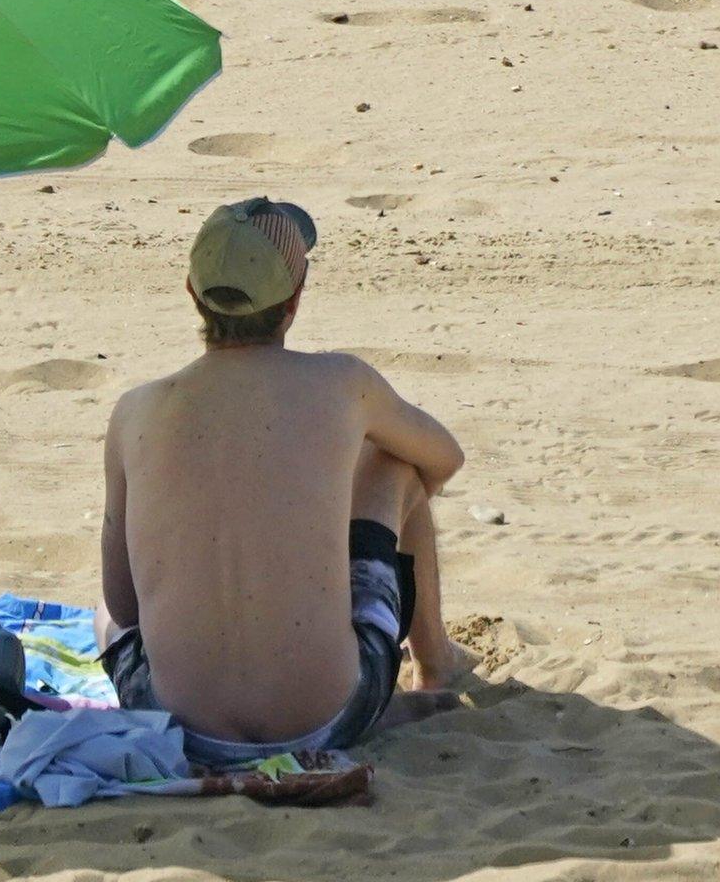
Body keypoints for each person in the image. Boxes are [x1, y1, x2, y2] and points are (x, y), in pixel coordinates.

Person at [99, 197, 477, 768]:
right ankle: (433, 666)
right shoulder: (342, 383)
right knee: (397, 464)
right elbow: (443, 458)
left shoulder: (135, 411)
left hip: (178, 726)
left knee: (104, 611)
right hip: (331, 717)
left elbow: (123, 602)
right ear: (295, 300)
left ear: (191, 292)